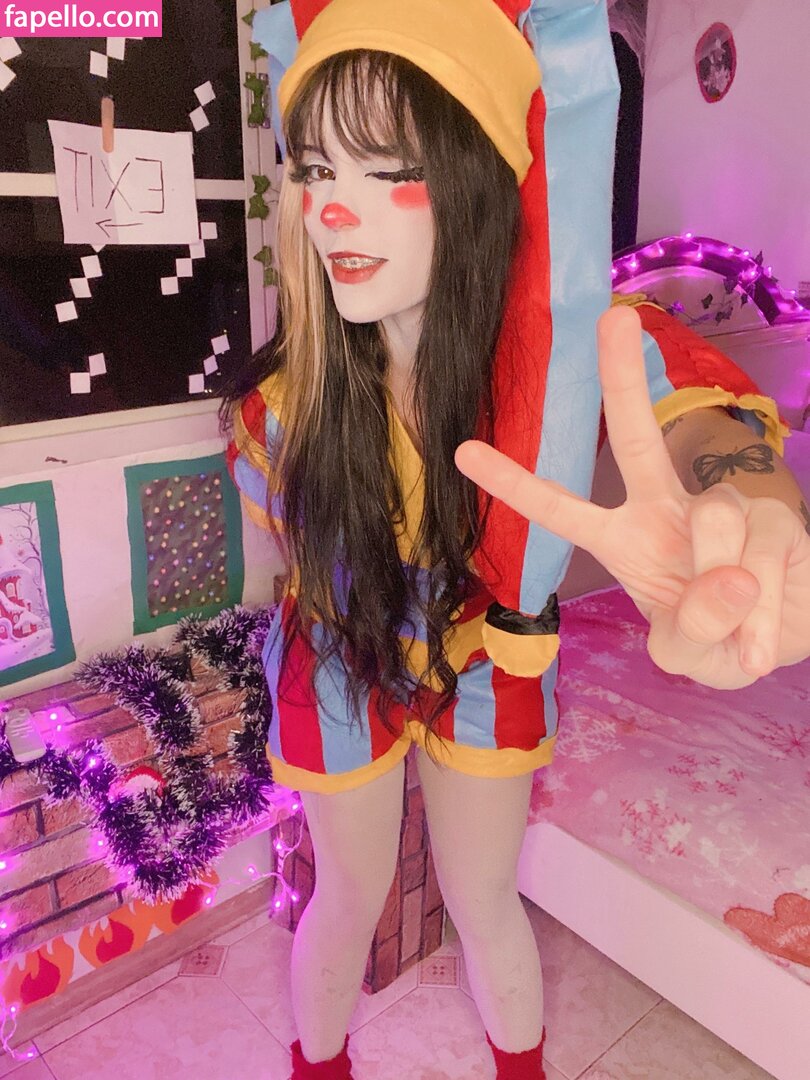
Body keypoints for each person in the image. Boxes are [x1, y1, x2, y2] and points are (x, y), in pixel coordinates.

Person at [221, 2, 810, 1077]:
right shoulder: (281, 407)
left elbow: (687, 405)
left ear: (476, 179)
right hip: (338, 644)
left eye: (389, 167)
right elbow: (289, 555)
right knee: (346, 895)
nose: (334, 210)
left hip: (495, 645)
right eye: (317, 168)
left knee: (486, 899)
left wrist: (753, 502)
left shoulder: (566, 348)